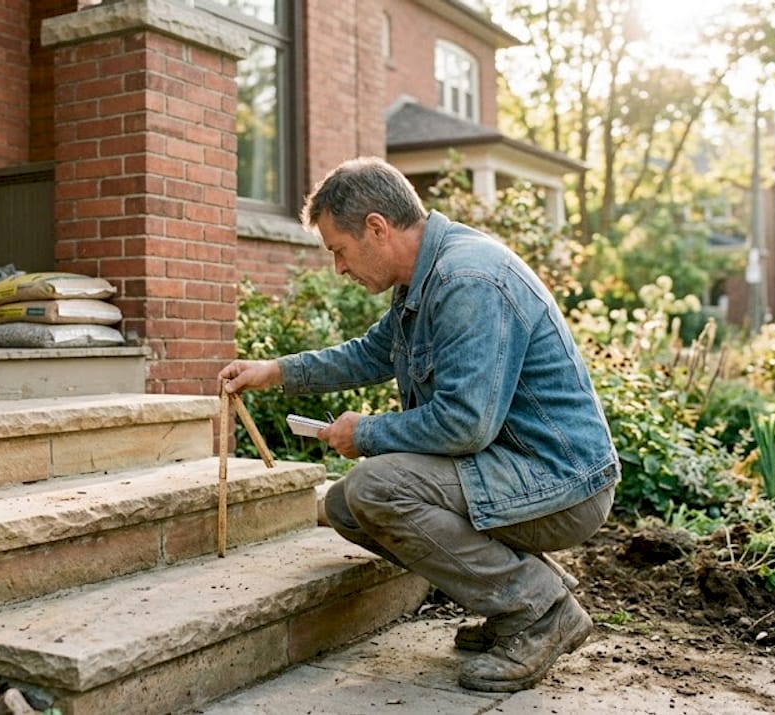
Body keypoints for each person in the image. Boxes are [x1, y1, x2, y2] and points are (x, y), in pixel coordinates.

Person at [218, 157, 619, 693]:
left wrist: (365, 434)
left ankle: (540, 611)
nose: (338, 267)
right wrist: (275, 372)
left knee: (374, 488)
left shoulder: (467, 279)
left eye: (338, 250)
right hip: (515, 472)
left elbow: (464, 425)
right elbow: (368, 354)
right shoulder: (422, 280)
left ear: (377, 228)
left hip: (559, 482)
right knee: (346, 506)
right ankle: (525, 599)